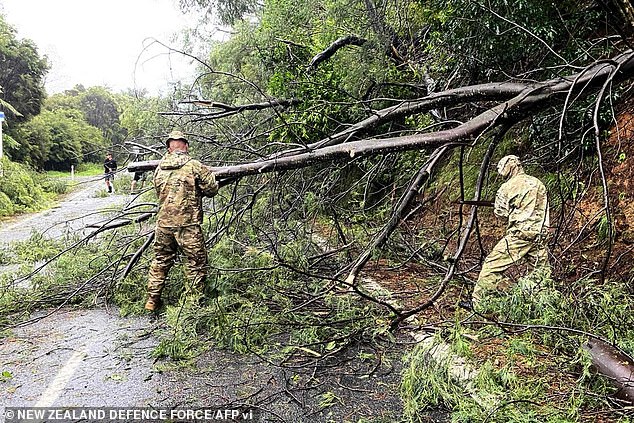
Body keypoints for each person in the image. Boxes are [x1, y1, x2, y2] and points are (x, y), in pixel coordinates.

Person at [145, 130, 219, 311]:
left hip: (163, 224)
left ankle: (152, 300)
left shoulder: (159, 168)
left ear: (169, 148)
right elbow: (211, 189)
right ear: (185, 146)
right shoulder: (194, 165)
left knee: (161, 260)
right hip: (187, 225)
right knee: (195, 262)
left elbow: (158, 191)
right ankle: (192, 305)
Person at [471, 155, 551, 309]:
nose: (500, 170)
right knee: (541, 272)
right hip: (540, 234)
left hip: (519, 235)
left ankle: (479, 305)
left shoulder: (506, 187)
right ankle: (544, 306)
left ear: (511, 165)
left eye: (501, 166)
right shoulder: (538, 183)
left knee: (491, 266)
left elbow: (501, 213)